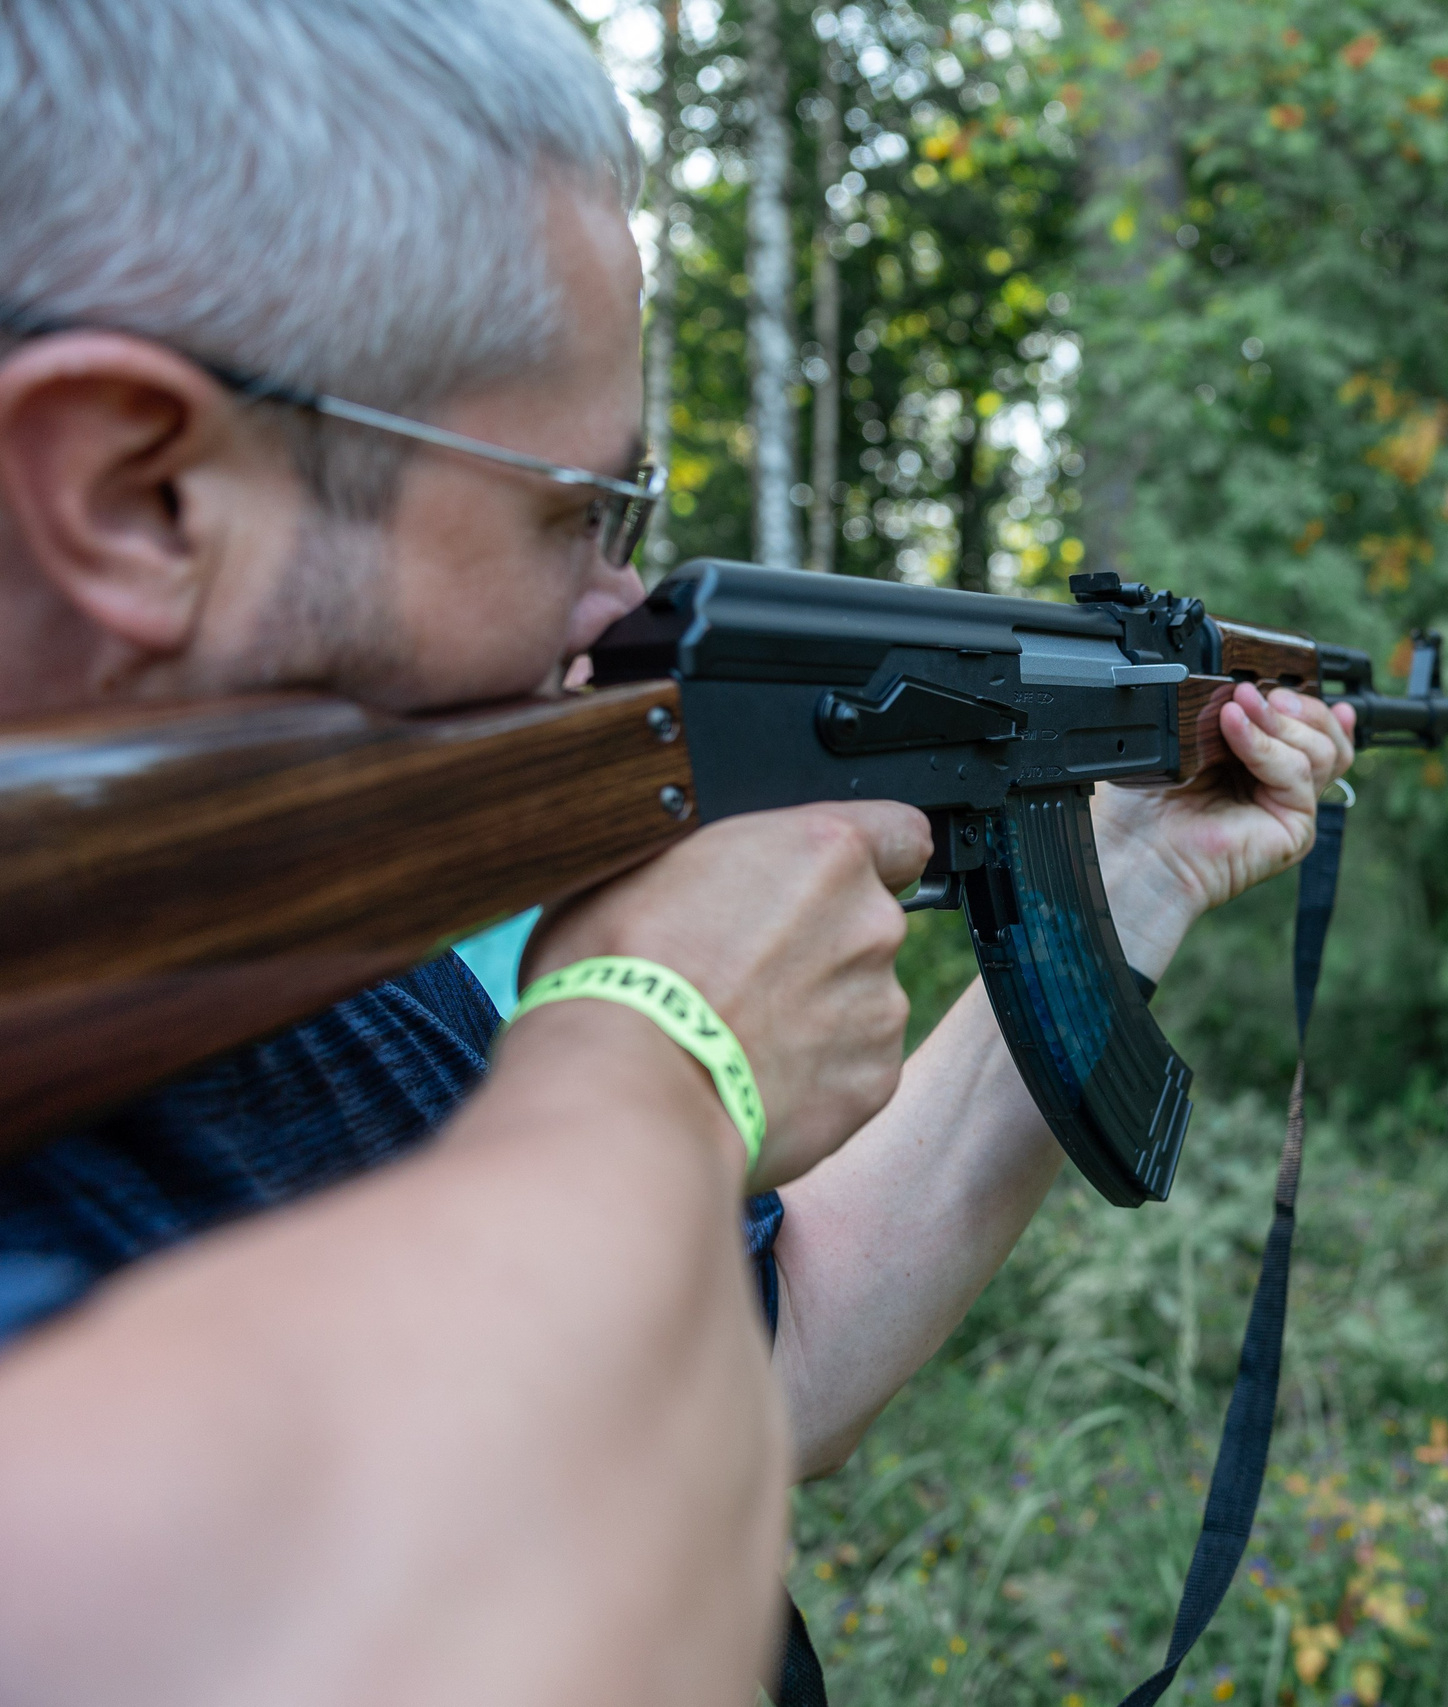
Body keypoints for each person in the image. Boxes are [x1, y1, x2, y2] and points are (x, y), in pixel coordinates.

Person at [0, 2, 1357, 1701]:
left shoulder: (301, 883)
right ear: (136, 496)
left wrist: (1126, 876)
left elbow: (747, 1373)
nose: (619, 613)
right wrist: (657, 1056)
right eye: (576, 510)